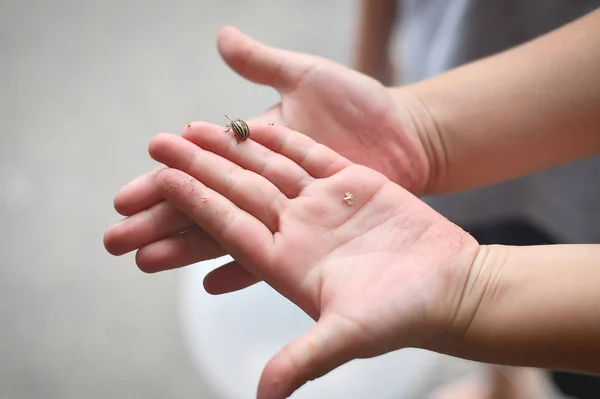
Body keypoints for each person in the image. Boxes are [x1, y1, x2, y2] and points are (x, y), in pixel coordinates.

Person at [103, 7, 600, 399]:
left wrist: (474, 293)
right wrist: (420, 127)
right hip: (471, 113)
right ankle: (504, 386)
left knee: (572, 374)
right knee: (492, 230)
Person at [352, 1, 600, 398]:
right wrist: (394, 98)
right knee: (479, 238)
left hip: (582, 184)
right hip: (445, 93)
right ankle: (502, 386)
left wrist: (422, 125)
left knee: (577, 370)